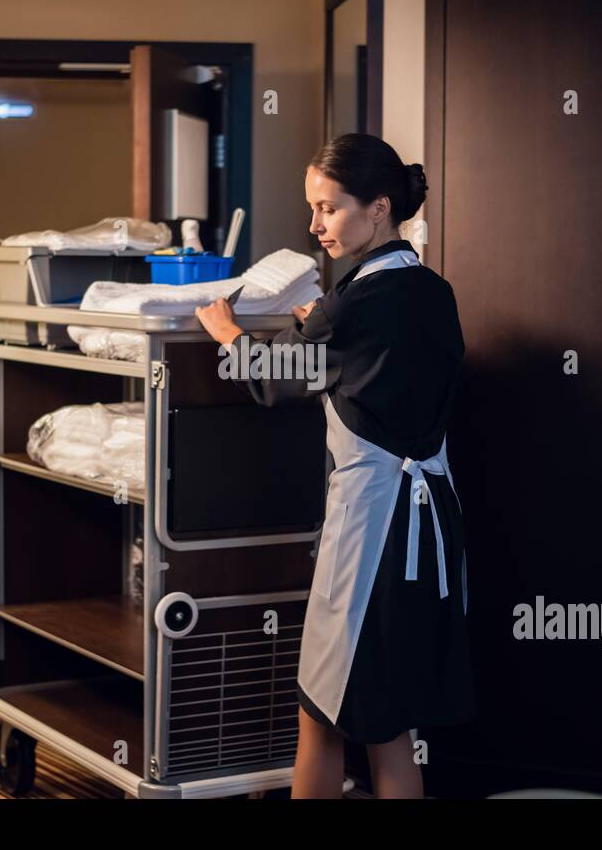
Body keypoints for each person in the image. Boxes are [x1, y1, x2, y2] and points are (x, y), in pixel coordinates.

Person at [195, 133, 473, 799]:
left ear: (379, 208)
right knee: (390, 720)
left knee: (321, 714)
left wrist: (229, 334)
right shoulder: (432, 291)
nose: (315, 225)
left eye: (329, 208)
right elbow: (366, 363)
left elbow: (270, 374)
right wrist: (319, 321)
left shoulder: (354, 304)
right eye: (313, 209)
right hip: (429, 526)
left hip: (371, 533)